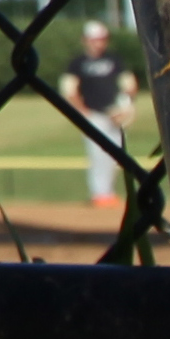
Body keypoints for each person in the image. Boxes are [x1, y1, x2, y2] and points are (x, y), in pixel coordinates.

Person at [60, 17, 131, 208]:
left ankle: (107, 192)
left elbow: (128, 85)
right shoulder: (78, 63)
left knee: (115, 154)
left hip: (113, 115)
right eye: (94, 39)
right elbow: (70, 90)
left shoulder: (114, 59)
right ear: (86, 40)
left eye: (101, 38)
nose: (99, 42)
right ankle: (99, 194)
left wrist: (125, 107)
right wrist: (83, 112)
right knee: (98, 154)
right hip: (93, 115)